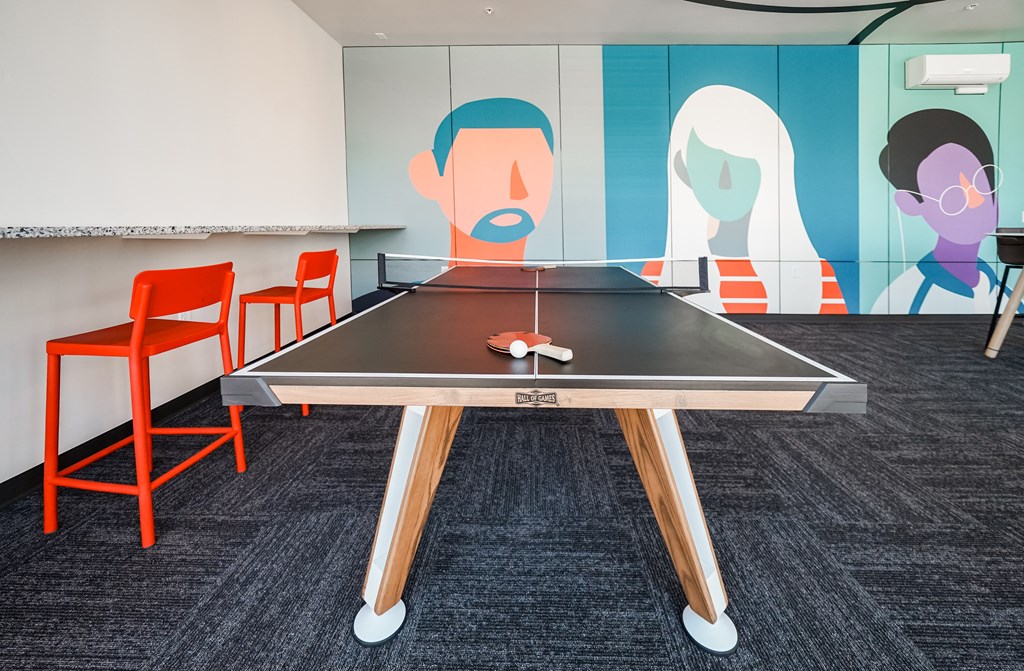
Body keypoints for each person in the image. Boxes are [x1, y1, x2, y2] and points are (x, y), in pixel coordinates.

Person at [648, 85, 846, 314]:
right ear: (682, 167)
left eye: (740, 166)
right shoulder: (658, 272)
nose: (725, 181)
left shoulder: (819, 276)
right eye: (710, 163)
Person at [873, 108, 1002, 314]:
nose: (976, 200)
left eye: (980, 181)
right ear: (910, 203)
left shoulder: (1004, 292)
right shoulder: (907, 299)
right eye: (953, 194)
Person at [409, 98, 555, 264]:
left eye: (532, 169)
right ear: (430, 175)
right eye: (491, 171)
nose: (518, 192)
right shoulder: (421, 290)